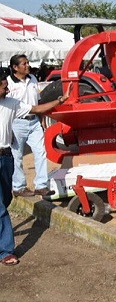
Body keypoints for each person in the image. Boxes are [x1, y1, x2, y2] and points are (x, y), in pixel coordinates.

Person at [0, 67, 71, 265]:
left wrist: (60, 100)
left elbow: (36, 109)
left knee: (5, 199)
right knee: (0, 208)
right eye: (4, 87)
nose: (7, 90)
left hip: (5, 159)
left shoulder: (12, 103)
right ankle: (6, 251)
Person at [7, 55, 51, 197]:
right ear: (15, 67)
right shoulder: (8, 83)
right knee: (17, 156)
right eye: (24, 64)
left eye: (28, 63)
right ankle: (18, 187)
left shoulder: (32, 78)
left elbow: (37, 101)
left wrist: (42, 119)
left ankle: (41, 185)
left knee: (41, 152)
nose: (28, 65)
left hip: (34, 122)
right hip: (16, 122)